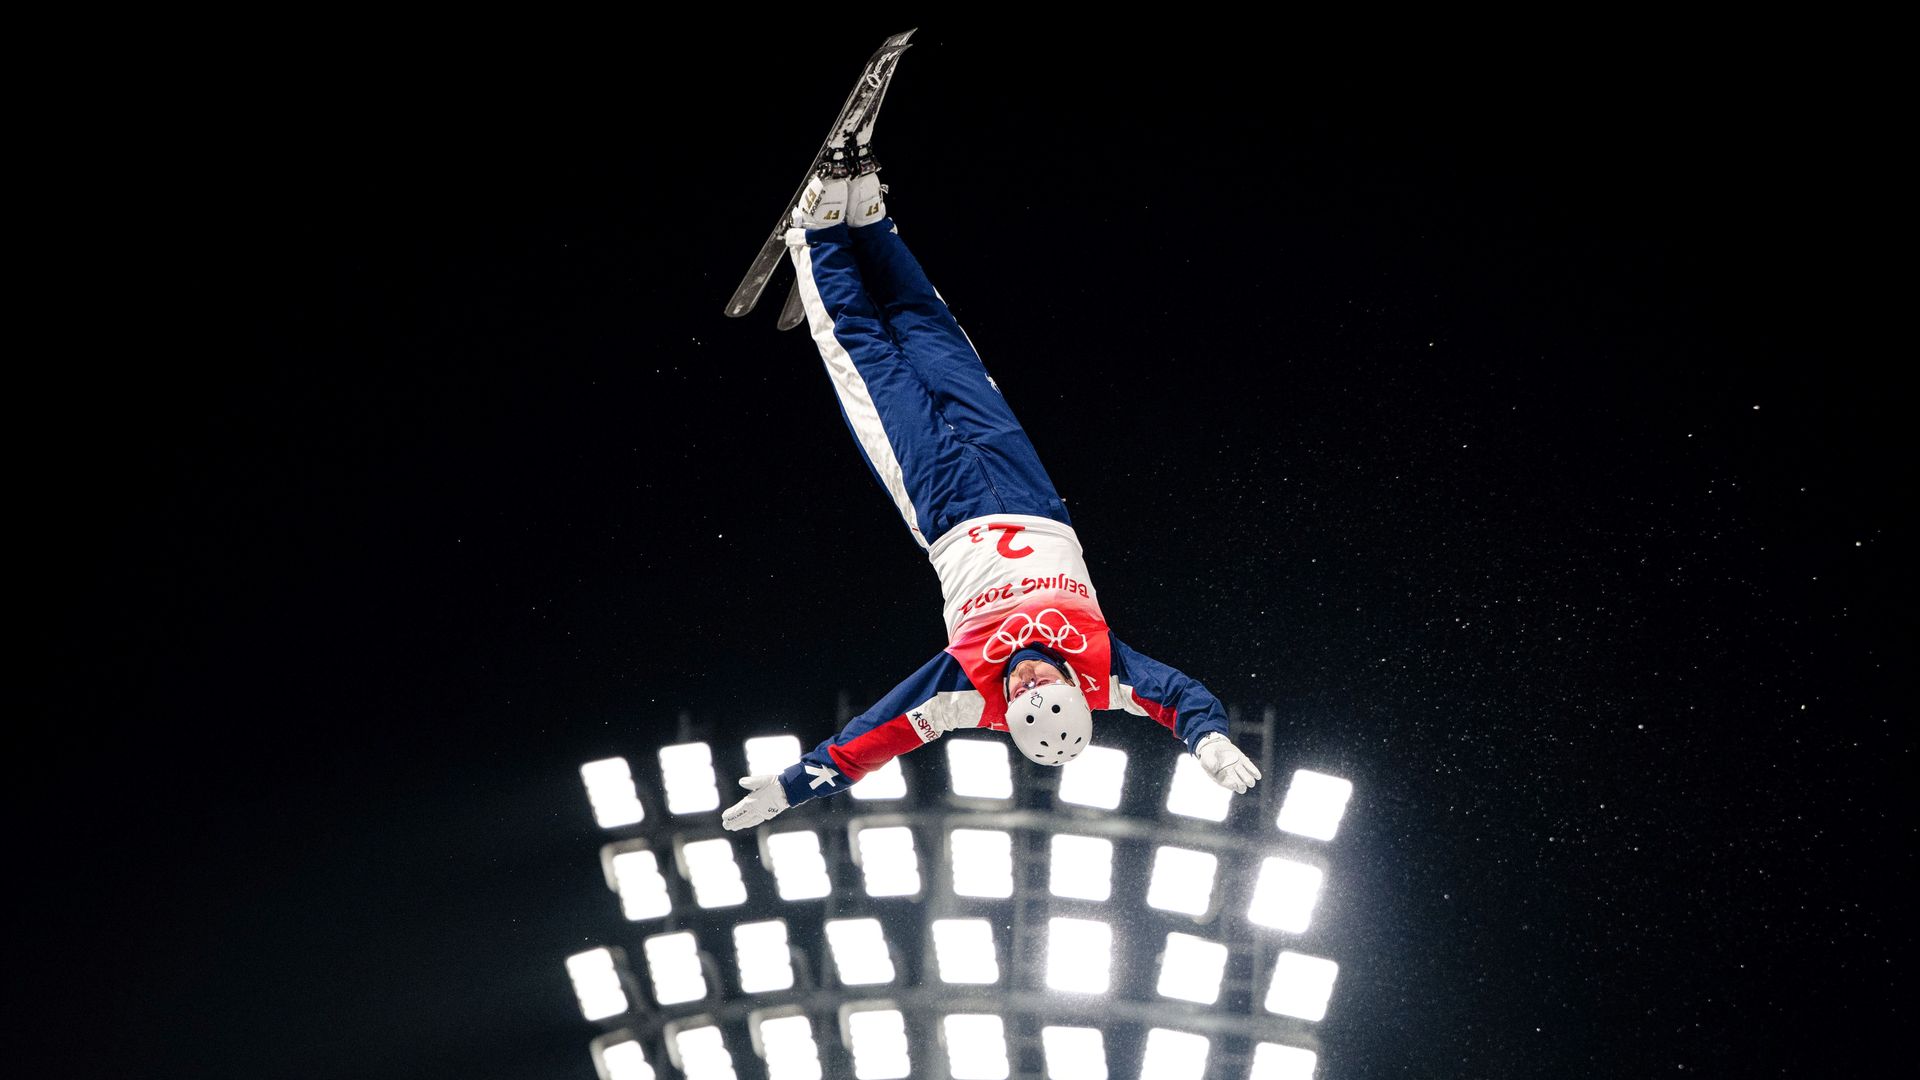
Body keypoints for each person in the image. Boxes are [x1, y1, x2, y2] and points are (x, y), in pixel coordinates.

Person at [721, 145, 1261, 831]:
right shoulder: (1109, 676)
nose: (1031, 677)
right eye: (1047, 683)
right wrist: (1208, 738)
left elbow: (879, 733)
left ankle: (820, 235)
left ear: (1011, 718)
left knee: (870, 363)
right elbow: (1177, 696)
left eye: (1025, 692)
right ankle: (871, 222)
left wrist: (799, 784)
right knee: (939, 343)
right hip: (1030, 494)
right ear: (1073, 689)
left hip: (944, 506)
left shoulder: (969, 695)